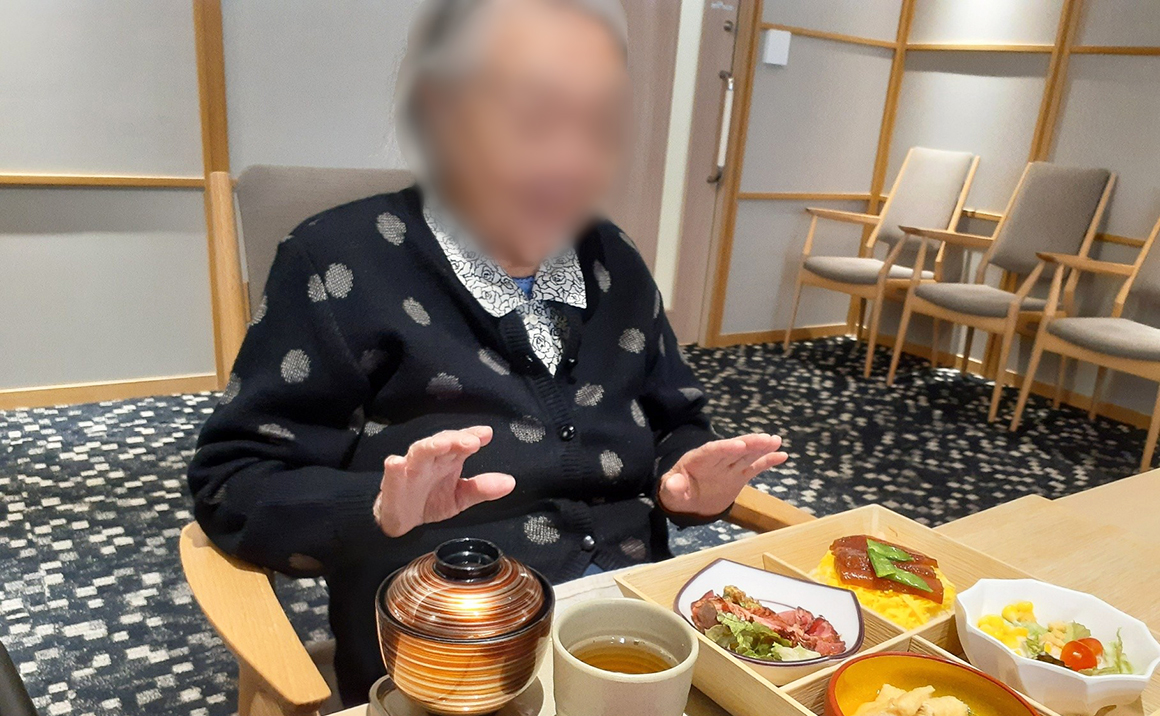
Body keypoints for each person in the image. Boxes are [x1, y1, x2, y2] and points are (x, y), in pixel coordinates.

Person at [187, 0, 788, 704]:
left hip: (629, 635)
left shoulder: (611, 257)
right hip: (452, 656)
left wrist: (684, 479)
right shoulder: (338, 264)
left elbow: (675, 420)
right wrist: (375, 507)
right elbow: (234, 484)